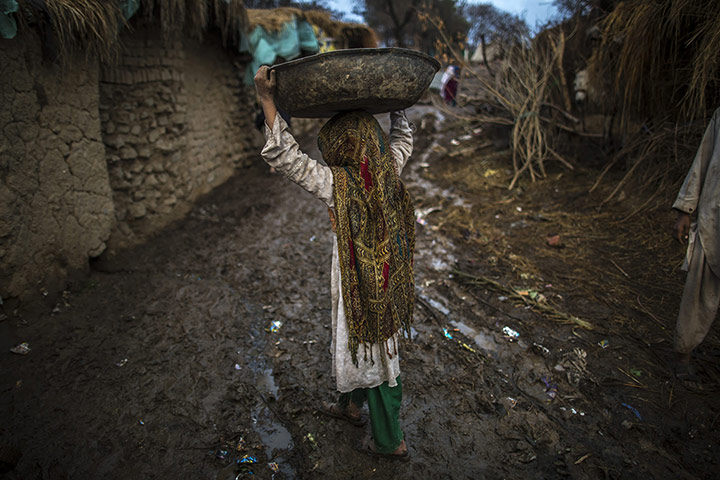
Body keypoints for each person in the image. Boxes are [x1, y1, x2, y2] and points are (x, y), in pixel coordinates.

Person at [254, 65, 415, 459]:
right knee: (366, 341)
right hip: (388, 277)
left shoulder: (336, 184)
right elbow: (403, 139)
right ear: (373, 142)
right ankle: (351, 406)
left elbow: (286, 156)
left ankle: (390, 441)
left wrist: (266, 98)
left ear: (342, 148)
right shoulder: (389, 168)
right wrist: (398, 105)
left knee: (371, 349)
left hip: (358, 282)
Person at [672, 106, 720, 385]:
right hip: (714, 220)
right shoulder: (719, 118)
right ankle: (682, 355)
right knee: (698, 292)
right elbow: (703, 160)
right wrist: (685, 210)